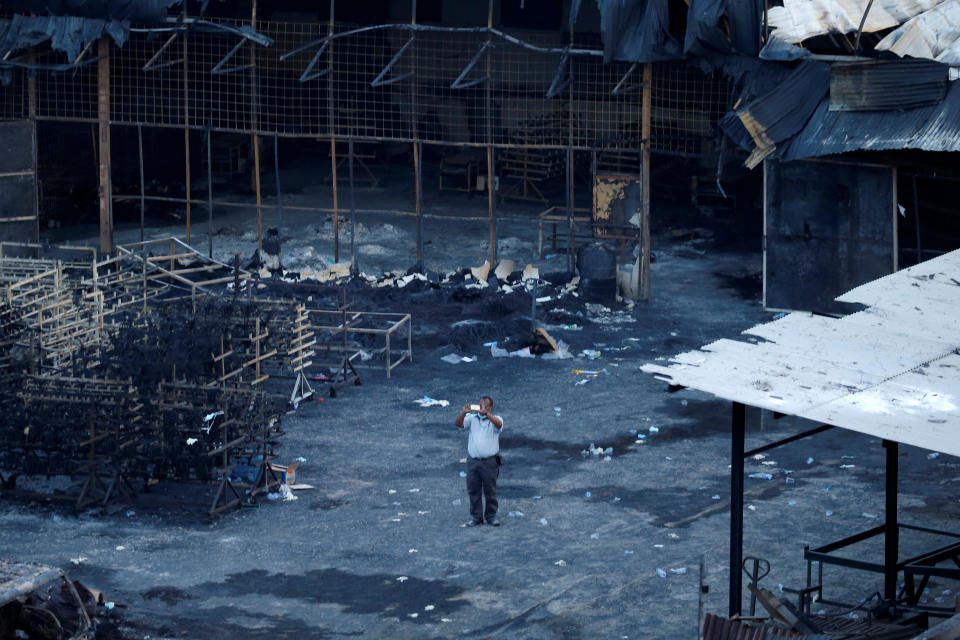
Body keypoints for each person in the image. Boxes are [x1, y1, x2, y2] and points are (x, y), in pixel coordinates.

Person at [455, 396, 503, 527]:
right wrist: (464, 412)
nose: (480, 407)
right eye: (479, 405)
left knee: (490, 490)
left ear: (489, 408)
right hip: (473, 461)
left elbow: (499, 425)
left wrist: (488, 416)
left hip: (489, 462)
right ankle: (476, 517)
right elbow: (458, 424)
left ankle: (491, 516)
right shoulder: (472, 418)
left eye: (483, 405)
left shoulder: (496, 420)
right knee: (473, 489)